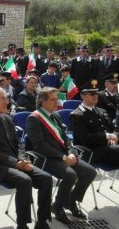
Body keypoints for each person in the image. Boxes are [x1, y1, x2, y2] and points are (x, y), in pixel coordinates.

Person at [0, 87, 57, 229]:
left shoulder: (7, 119)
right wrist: (15, 163)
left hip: (16, 162)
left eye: (6, 98)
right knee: (24, 181)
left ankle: (42, 222)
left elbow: (18, 144)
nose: (6, 102)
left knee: (46, 178)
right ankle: (22, 226)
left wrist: (23, 159)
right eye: (2, 99)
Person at [69, 81, 119, 219]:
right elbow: (85, 138)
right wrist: (106, 136)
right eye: (91, 94)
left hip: (109, 149)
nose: (95, 96)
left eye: (96, 93)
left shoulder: (101, 111)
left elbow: (116, 127)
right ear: (82, 96)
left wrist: (115, 136)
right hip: (91, 152)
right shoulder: (76, 115)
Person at [25, 87, 97, 221]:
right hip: (47, 158)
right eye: (53, 99)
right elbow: (40, 145)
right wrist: (62, 157)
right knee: (70, 175)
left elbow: (66, 139)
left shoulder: (55, 115)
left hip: (63, 154)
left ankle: (70, 201)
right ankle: (58, 207)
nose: (57, 102)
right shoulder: (34, 118)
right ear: (42, 101)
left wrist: (71, 153)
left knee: (90, 172)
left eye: (57, 99)